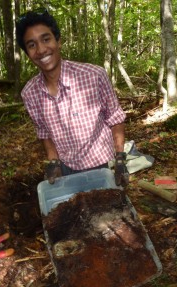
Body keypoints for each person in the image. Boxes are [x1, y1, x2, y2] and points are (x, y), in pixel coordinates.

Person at [16, 9, 129, 187]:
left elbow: (116, 118)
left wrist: (120, 159)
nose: (41, 49)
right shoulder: (30, 93)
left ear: (58, 41)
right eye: (32, 45)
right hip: (66, 166)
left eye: (46, 39)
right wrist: (53, 162)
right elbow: (44, 132)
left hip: (101, 164)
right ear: (27, 53)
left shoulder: (94, 75)